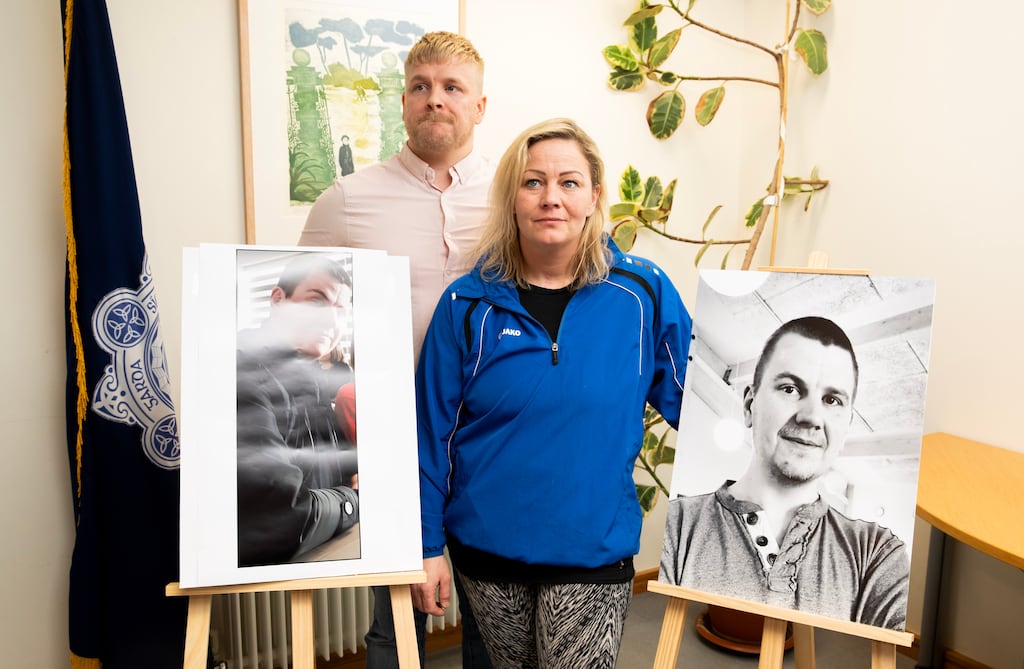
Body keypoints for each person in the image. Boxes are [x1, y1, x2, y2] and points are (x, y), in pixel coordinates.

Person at [411, 118, 693, 668]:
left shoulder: (642, 293)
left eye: (569, 182)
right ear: (511, 198)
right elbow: (432, 434)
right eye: (533, 182)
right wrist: (426, 547)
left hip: (592, 547)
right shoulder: (466, 305)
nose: (551, 198)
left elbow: (696, 402)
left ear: (593, 197)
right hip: (487, 552)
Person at [299, 30, 493, 668]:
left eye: (452, 87)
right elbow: (302, 322)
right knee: (396, 618)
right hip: (398, 437)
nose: (434, 99)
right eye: (420, 86)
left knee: (492, 621)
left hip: (494, 435)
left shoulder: (510, 199)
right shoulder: (346, 201)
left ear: (479, 106)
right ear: (403, 102)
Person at [659, 316, 910, 630]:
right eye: (791, 389)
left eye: (832, 400)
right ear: (750, 405)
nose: (811, 417)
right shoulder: (676, 525)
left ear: (845, 428)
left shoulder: (876, 553)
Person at [235, 253, 359, 567]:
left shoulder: (312, 377)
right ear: (278, 299)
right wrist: (354, 501)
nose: (333, 323)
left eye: (342, 311)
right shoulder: (240, 372)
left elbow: (337, 469)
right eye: (317, 302)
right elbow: (285, 517)